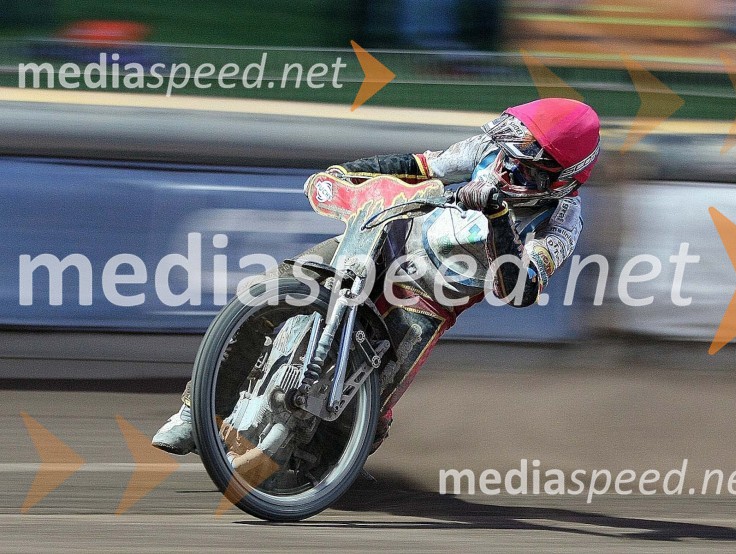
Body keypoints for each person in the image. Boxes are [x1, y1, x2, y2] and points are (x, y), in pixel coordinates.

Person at [152, 97, 600, 456]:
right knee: (266, 296)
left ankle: (337, 460)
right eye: (506, 155)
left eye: (523, 169)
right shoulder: (485, 151)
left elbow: (519, 290)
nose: (504, 168)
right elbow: (422, 166)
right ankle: (196, 412)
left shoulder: (562, 222)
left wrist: (500, 217)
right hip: (390, 239)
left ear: (560, 180)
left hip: (430, 302)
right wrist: (351, 171)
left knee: (364, 411)